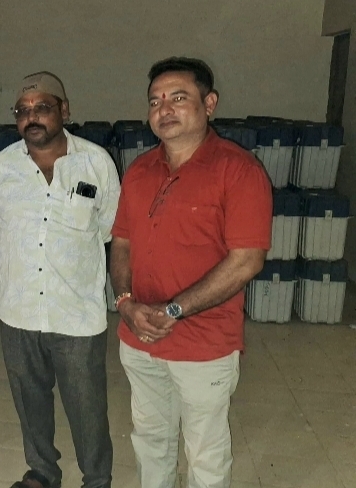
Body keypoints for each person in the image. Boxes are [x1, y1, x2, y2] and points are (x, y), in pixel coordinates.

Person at [110, 57, 272, 488]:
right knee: (150, 439)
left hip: (204, 344)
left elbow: (247, 260)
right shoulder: (139, 171)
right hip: (140, 337)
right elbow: (122, 242)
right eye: (155, 101)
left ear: (209, 103)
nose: (164, 109)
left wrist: (174, 310)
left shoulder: (239, 171)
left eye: (178, 98)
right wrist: (125, 303)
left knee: (205, 453)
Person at [0, 72, 119, 488]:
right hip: (19, 310)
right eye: (22, 111)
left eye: (42, 107)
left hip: (76, 313)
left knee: (87, 406)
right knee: (30, 401)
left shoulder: (95, 163)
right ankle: (42, 472)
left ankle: (97, 479)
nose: (32, 117)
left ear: (64, 110)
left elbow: (109, 227)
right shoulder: (0, 168)